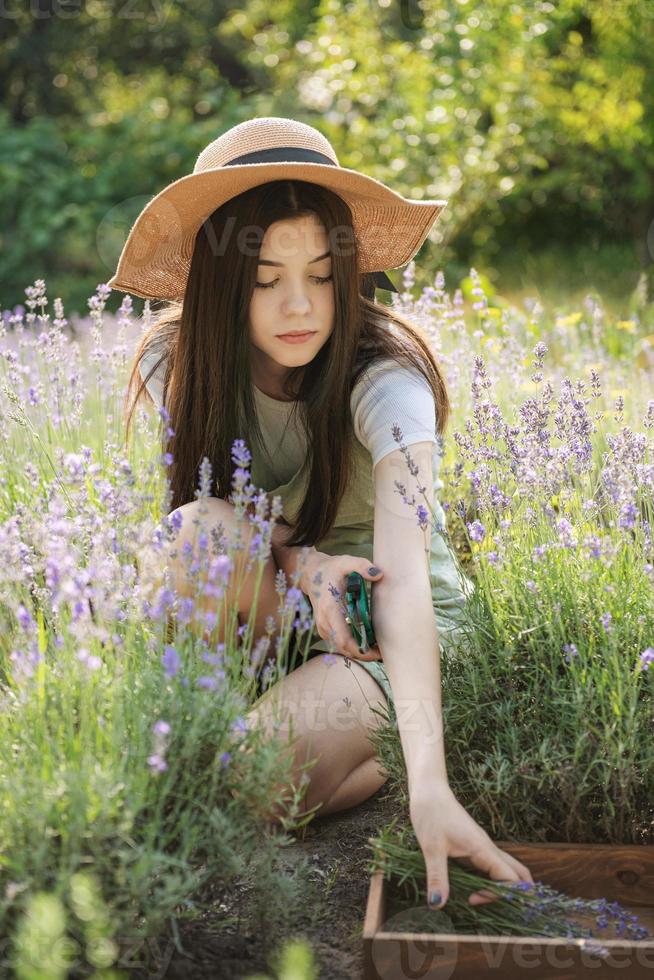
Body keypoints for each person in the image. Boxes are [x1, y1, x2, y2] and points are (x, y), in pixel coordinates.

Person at [110, 116, 533, 910]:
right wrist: (304, 564)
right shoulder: (182, 361)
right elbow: (202, 525)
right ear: (223, 282)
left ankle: (397, 760)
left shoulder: (387, 382)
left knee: (244, 785)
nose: (297, 306)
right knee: (191, 536)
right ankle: (303, 727)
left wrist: (431, 787)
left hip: (392, 634)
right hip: (287, 603)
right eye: (265, 278)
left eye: (321, 275)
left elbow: (403, 585)